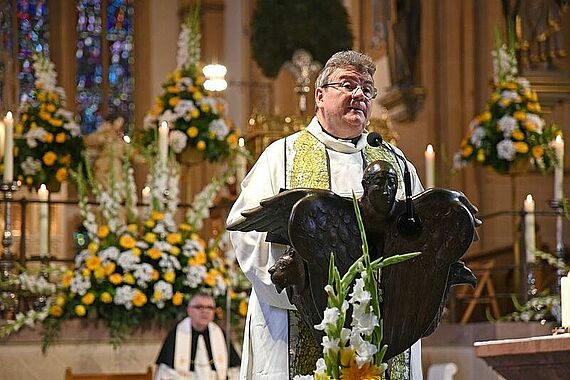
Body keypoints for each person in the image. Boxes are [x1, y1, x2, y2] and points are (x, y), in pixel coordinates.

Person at [227, 50, 424, 379]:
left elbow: (418, 232)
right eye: (348, 85)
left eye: (367, 89)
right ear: (320, 95)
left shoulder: (394, 162)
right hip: (298, 320)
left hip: (381, 323)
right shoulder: (283, 156)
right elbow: (246, 232)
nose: (359, 95)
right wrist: (299, 288)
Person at [155, 293, 240, 380]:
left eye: (209, 308)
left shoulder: (220, 334)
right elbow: (165, 371)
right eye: (199, 307)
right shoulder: (177, 334)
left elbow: (234, 370)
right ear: (189, 310)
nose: (205, 311)